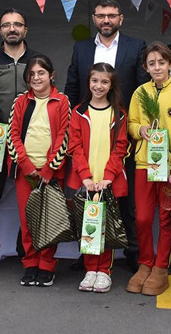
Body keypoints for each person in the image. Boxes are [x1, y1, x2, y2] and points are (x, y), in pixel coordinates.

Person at [65, 0, 149, 270]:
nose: (106, 20)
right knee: (86, 195)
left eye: (112, 15)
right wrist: (73, 120)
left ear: (121, 19)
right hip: (88, 127)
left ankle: (132, 251)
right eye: (101, 15)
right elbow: (73, 86)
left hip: (122, 129)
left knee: (125, 198)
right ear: (94, 18)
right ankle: (89, 253)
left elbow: (141, 89)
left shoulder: (135, 46)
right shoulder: (82, 48)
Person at [0, 8, 42, 266]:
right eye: (7, 25)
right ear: (0, 30)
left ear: (26, 30)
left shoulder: (38, 60)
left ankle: (25, 247)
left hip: (31, 139)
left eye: (17, 24)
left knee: (31, 196)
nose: (12, 29)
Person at [126, 42, 171, 295]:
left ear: (170, 64)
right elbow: (130, 123)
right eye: (151, 63)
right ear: (145, 67)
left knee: (165, 219)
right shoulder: (140, 92)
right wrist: (140, 130)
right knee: (141, 218)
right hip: (144, 163)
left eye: (161, 62)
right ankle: (145, 263)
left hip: (170, 165)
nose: (157, 67)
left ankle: (161, 267)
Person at [7, 55, 71, 288]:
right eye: (32, 74)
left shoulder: (62, 101)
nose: (36, 77)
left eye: (41, 73)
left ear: (51, 75)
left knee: (48, 220)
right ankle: (30, 263)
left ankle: (46, 265)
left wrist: (48, 169)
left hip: (50, 173)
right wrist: (26, 166)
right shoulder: (20, 101)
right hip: (25, 172)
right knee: (27, 220)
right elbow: (12, 136)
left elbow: (65, 137)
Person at [67, 63, 129, 293]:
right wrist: (85, 176)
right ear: (88, 82)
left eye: (104, 81)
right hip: (86, 181)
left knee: (106, 226)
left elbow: (121, 148)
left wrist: (108, 177)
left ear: (111, 85)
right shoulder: (79, 112)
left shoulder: (119, 113)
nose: (99, 86)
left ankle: (104, 271)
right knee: (87, 226)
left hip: (107, 182)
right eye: (95, 81)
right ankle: (90, 269)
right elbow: (75, 146)